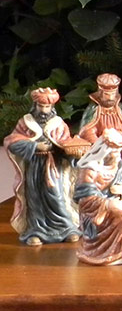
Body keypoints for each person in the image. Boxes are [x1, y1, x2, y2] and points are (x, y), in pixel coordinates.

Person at [4, 88, 81, 245]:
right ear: (35, 105)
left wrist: (71, 150)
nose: (44, 110)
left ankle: (67, 228)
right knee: (35, 198)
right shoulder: (25, 122)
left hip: (54, 167)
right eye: (41, 106)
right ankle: (35, 231)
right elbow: (11, 142)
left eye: (47, 107)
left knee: (57, 196)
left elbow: (66, 142)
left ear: (52, 107)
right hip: (34, 166)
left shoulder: (59, 124)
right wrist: (35, 146)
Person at [74, 128, 122, 266]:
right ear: (104, 150)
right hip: (95, 212)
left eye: (119, 151)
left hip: (115, 204)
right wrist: (107, 204)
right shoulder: (90, 169)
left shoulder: (119, 166)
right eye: (114, 151)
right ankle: (111, 254)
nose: (117, 155)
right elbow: (84, 199)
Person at [78, 73, 122, 177]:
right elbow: (87, 130)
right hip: (101, 151)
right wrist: (101, 144)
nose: (110, 98)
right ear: (100, 93)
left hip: (121, 151)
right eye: (107, 94)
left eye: (112, 94)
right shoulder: (93, 110)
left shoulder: (121, 108)